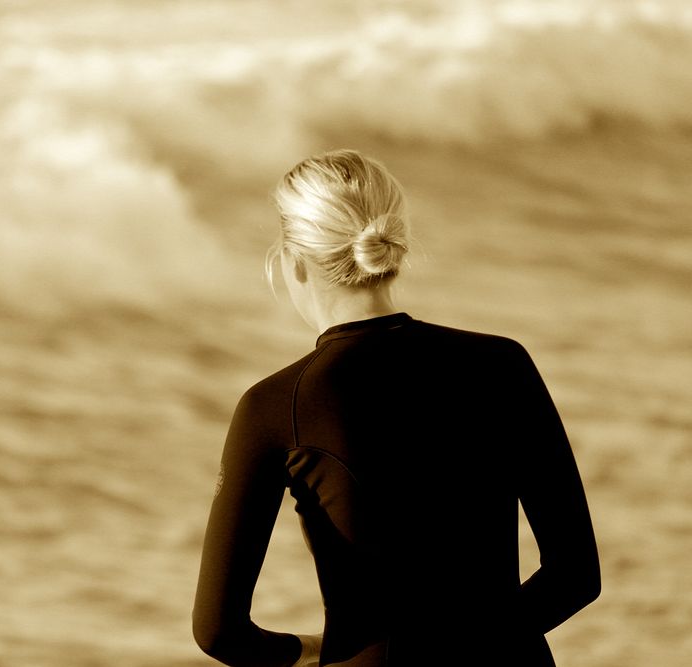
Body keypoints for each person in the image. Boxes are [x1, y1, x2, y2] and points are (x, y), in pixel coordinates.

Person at [192, 150, 600, 666]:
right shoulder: (501, 363)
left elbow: (218, 631)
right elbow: (575, 576)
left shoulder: (275, 406)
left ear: (294, 261)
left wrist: (313, 651)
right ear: (392, 249)